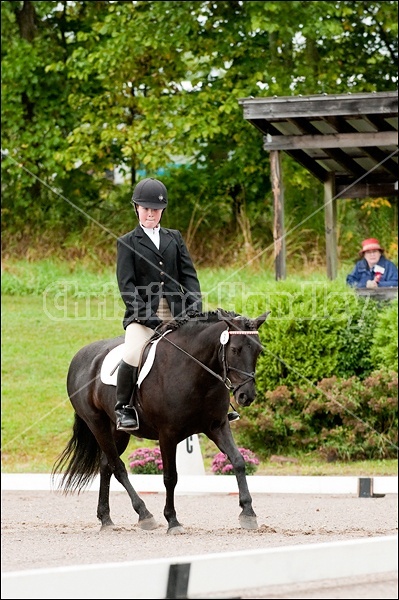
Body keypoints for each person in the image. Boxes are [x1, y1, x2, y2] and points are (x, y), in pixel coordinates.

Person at [115, 177, 240, 432]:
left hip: (180, 314)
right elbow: (126, 287)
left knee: (206, 350)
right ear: (136, 208)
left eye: (155, 209)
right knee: (132, 352)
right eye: (145, 208)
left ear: (162, 211)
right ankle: (123, 407)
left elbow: (189, 276)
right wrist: (148, 318)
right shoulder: (127, 242)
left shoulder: (175, 238)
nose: (150, 213)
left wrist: (194, 308)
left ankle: (219, 407)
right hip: (143, 316)